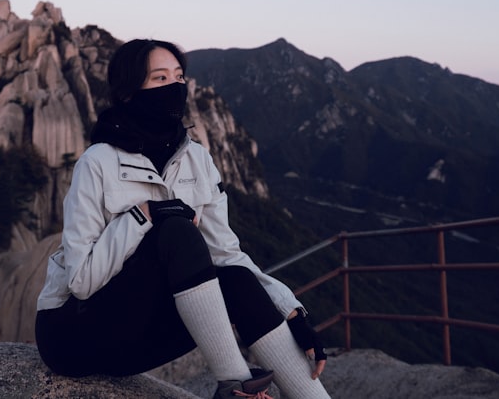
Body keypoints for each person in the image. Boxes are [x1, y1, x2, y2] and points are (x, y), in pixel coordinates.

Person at [35, 39, 331, 399]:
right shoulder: (97, 162)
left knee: (234, 278)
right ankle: (234, 384)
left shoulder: (197, 160)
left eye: (178, 77)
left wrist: (291, 312)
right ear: (129, 92)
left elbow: (227, 256)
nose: (174, 88)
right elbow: (80, 281)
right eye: (159, 79)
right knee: (175, 229)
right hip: (76, 334)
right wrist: (143, 216)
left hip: (141, 337)